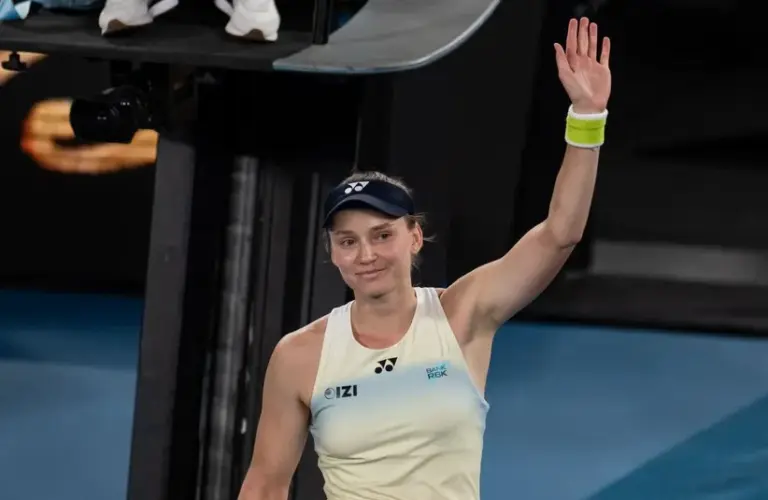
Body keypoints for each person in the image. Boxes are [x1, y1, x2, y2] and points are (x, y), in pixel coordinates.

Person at [238, 16, 611, 500]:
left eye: (382, 235)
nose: (367, 254)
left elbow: (561, 233)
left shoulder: (463, 314)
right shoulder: (299, 356)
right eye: (348, 241)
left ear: (415, 237)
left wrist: (586, 116)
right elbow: (266, 484)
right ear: (332, 252)